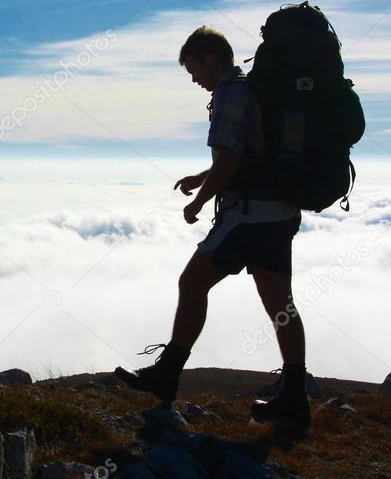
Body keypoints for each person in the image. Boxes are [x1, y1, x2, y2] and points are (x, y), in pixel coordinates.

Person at [114, 25, 310, 429]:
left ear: (211, 58)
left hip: (250, 215)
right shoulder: (250, 88)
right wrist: (202, 178)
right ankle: (294, 397)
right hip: (280, 211)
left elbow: (231, 162)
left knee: (192, 283)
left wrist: (198, 202)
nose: (195, 80)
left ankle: (167, 375)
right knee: (281, 307)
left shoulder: (229, 93)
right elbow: (243, 154)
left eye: (193, 70)